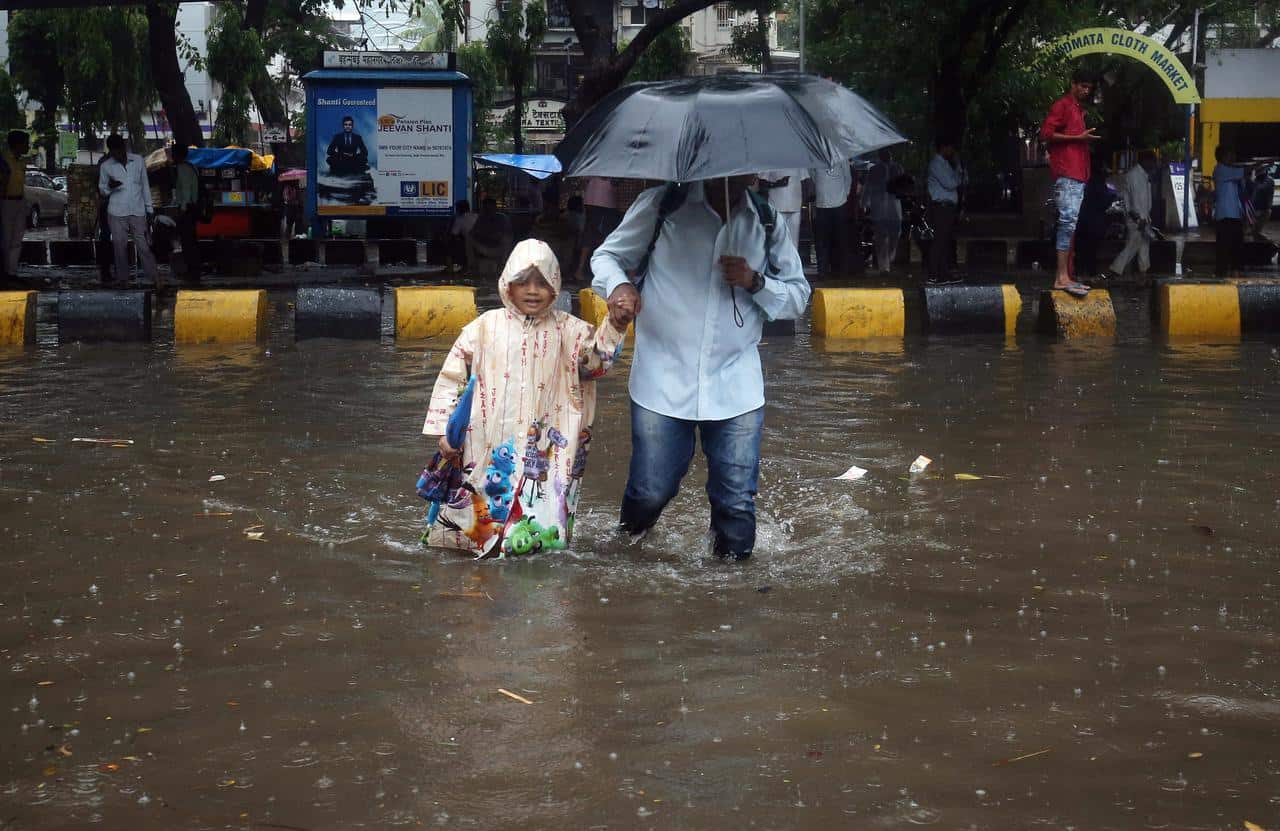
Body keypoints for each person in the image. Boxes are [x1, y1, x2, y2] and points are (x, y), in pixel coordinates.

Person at [592, 175, 811, 562]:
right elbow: (608, 257)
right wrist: (619, 286)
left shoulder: (766, 219)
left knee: (737, 504)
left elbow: (797, 297)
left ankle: (732, 597)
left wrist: (755, 281)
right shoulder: (662, 205)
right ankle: (624, 559)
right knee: (649, 492)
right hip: (661, 378)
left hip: (736, 383)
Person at [421, 238, 629, 556]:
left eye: (542, 282)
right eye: (523, 282)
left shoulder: (571, 332)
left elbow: (596, 363)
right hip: (486, 442)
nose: (533, 290)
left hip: (547, 450)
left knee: (539, 537)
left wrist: (615, 324)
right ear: (508, 284)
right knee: (473, 520)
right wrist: (443, 433)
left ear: (555, 286)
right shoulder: (482, 329)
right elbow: (452, 379)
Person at [1039, 68, 1099, 297]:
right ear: (1073, 84)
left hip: (1077, 174)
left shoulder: (1076, 109)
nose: (1085, 90)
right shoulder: (1063, 105)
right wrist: (1078, 138)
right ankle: (1061, 277)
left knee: (1070, 224)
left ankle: (1066, 276)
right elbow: (1046, 133)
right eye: (1082, 86)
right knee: (1067, 222)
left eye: (1088, 88)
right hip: (1067, 173)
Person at [98, 134, 159, 291]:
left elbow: (145, 185)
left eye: (118, 151)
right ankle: (123, 280)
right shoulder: (106, 166)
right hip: (116, 212)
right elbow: (102, 190)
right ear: (110, 152)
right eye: (113, 153)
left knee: (144, 246)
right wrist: (110, 186)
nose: (116, 155)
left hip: (138, 211)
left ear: (123, 148)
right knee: (119, 247)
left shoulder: (138, 160)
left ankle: (155, 278)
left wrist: (149, 209)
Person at [1106, 150, 1158, 279]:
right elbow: (1136, 200)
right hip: (1138, 219)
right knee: (1133, 246)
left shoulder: (1140, 175)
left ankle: (1143, 274)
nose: (1153, 165)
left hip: (1141, 218)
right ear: (1145, 161)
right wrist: (1140, 219)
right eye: (1152, 161)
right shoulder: (1136, 176)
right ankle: (1115, 269)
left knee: (1143, 247)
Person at [926, 138, 962, 284]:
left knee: (944, 241)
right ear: (944, 147)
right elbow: (951, 183)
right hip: (941, 207)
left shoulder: (944, 164)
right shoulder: (936, 164)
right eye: (950, 148)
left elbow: (956, 181)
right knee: (939, 241)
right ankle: (934, 274)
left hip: (947, 207)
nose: (952, 152)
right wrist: (958, 171)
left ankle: (943, 273)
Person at [862, 149, 904, 273]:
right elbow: (868, 187)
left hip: (894, 207)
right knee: (881, 237)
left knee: (895, 233)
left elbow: (903, 186)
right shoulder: (874, 170)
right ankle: (884, 267)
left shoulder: (898, 168)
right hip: (879, 208)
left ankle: (890, 257)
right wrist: (864, 203)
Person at [1073, 158, 1116, 278]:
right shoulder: (1098, 181)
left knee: (1082, 249)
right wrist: (1112, 196)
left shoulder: (1083, 179)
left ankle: (1080, 272)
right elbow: (1103, 200)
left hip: (1082, 219)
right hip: (1093, 220)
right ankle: (1090, 273)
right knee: (1091, 249)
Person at [809, 160, 852, 275]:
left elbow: (848, 178)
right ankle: (822, 271)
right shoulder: (815, 156)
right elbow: (813, 175)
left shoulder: (842, 156)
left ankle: (841, 270)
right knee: (821, 241)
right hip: (822, 203)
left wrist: (844, 195)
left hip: (840, 203)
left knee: (840, 239)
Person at [576, 176, 621, 281]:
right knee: (604, 238)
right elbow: (615, 182)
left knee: (591, 234)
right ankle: (596, 270)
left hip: (593, 200)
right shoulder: (612, 164)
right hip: (606, 202)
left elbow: (583, 179)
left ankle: (582, 269)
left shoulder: (595, 161)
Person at [0, 130, 30, 281]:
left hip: (19, 201)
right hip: (6, 202)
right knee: (6, 239)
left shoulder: (20, 161)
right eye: (26, 143)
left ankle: (12, 272)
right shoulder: (4, 160)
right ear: (17, 144)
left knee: (17, 239)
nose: (28, 146)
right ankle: (5, 272)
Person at [1213, 145, 1247, 278]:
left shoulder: (1229, 171)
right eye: (1230, 154)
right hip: (1226, 216)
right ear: (1223, 157)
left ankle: (1232, 275)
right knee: (1225, 249)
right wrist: (1259, 165)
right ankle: (1222, 276)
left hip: (1233, 215)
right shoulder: (1220, 170)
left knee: (1236, 249)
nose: (1233, 157)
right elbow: (1244, 171)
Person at [757, 169, 805, 258]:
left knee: (794, 242)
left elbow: (805, 180)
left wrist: (805, 202)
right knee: (777, 240)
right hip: (777, 205)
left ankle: (793, 268)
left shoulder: (799, 158)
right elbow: (761, 181)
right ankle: (776, 267)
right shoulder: (772, 158)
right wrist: (777, 184)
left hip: (795, 205)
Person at [172, 144, 201, 283]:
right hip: (193, 208)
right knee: (192, 242)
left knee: (187, 242)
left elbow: (186, 190)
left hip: (187, 208)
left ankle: (192, 273)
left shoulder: (182, 168)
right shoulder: (192, 167)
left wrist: (182, 209)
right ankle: (194, 272)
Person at [466, 197, 513, 278]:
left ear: (495, 208)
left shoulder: (502, 218)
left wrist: (492, 236)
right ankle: (471, 265)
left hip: (498, 248)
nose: (488, 210)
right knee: (468, 238)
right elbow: (473, 233)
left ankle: (503, 264)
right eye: (486, 208)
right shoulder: (481, 218)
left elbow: (506, 234)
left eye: (490, 207)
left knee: (506, 239)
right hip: (483, 247)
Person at [446, 199, 476, 272]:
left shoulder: (460, 219)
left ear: (459, 209)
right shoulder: (477, 216)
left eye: (457, 208)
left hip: (470, 244)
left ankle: (450, 266)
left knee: (451, 242)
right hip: (481, 241)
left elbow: (453, 235)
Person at [1250, 166, 1274, 243]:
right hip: (1256, 209)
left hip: (1264, 209)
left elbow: (1261, 188)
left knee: (1256, 231)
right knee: (1255, 232)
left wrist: (1252, 180)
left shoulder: (1268, 180)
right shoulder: (1257, 179)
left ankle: (1267, 243)